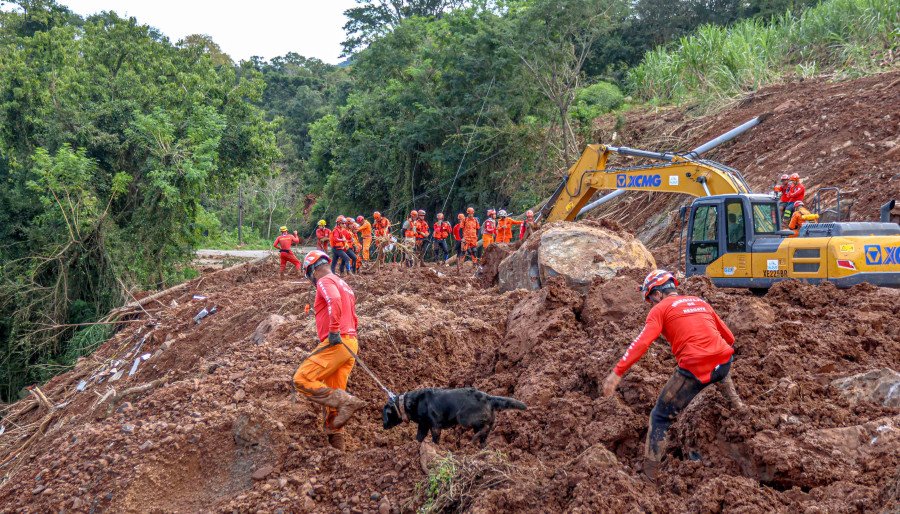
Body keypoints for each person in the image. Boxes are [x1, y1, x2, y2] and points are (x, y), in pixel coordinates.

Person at [601, 270, 744, 479]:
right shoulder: (699, 302)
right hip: (723, 360)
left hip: (694, 367)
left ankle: (649, 476)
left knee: (659, 416)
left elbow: (642, 343)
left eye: (650, 298)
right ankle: (743, 413)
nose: (651, 303)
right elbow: (729, 337)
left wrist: (617, 372)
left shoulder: (659, 310)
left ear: (657, 294)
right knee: (722, 376)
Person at [293, 250, 367, 451]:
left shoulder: (325, 281)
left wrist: (333, 331)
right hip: (350, 343)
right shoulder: (344, 284)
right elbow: (352, 314)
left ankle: (346, 401)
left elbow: (333, 301)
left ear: (312, 270)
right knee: (333, 402)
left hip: (337, 341)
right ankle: (337, 449)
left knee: (301, 379)